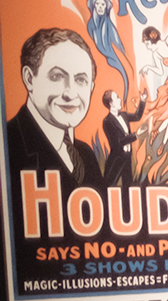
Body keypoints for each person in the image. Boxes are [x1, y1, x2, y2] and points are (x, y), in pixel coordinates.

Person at [8, 26, 104, 195]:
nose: (70, 93)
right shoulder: (8, 145)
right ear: (29, 79)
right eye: (57, 77)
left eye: (81, 80)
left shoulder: (86, 155)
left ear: (91, 87)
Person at [100, 89, 148, 187]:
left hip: (127, 157)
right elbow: (118, 142)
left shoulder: (124, 115)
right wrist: (136, 135)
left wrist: (142, 100)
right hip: (117, 160)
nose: (120, 100)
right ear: (110, 103)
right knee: (110, 186)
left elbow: (137, 116)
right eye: (117, 98)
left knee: (128, 187)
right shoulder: (107, 121)